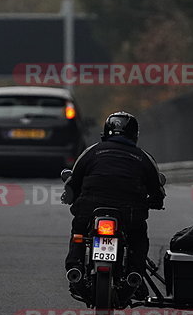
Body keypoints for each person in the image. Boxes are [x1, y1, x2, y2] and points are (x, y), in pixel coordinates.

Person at [63, 111, 165, 294]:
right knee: (137, 238)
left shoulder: (92, 151)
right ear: (134, 134)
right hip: (130, 212)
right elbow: (157, 189)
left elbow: (73, 180)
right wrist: (156, 201)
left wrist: (71, 196)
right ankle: (135, 273)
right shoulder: (142, 157)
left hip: (90, 207)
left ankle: (75, 268)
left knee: (78, 232)